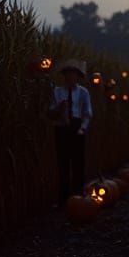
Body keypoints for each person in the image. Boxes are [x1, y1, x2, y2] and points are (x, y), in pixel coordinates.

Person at [47, 59, 93, 207]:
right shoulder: (57, 91)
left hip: (77, 128)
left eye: (73, 74)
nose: (70, 77)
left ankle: (79, 196)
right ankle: (63, 199)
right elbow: (50, 111)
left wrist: (83, 128)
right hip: (61, 128)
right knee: (63, 163)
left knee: (78, 162)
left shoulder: (83, 92)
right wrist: (58, 109)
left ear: (78, 76)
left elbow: (87, 113)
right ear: (64, 76)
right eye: (68, 74)